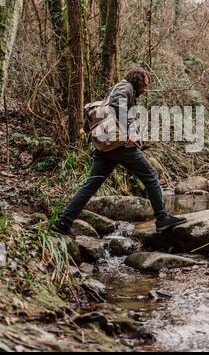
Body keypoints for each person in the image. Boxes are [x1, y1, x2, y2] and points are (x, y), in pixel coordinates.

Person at [52, 68, 186, 236]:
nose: (146, 89)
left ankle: (63, 222)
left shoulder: (118, 88)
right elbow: (117, 104)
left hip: (105, 147)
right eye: (144, 85)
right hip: (119, 145)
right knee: (151, 175)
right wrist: (130, 129)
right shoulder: (126, 88)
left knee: (91, 185)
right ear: (136, 80)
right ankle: (162, 218)